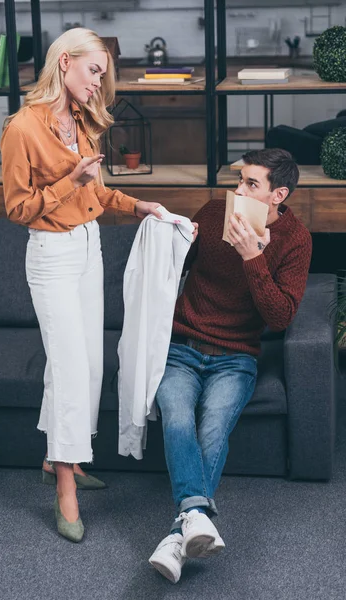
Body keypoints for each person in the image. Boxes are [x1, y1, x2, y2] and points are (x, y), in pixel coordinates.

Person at [0, 27, 162, 542]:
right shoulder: (22, 128)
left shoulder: (82, 119)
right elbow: (18, 209)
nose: (99, 83)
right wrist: (70, 182)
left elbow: (98, 190)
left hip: (88, 247)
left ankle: (57, 458)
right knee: (69, 369)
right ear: (65, 62)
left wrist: (139, 206)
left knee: (90, 365)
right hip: (50, 256)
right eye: (94, 71)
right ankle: (65, 486)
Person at [149, 148, 312, 583]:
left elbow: (280, 316)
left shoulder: (296, 240)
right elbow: (169, 271)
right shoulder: (216, 210)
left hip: (236, 358)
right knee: (178, 418)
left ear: (278, 194)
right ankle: (195, 517)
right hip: (181, 345)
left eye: (251, 185)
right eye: (239, 181)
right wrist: (174, 236)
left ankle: (175, 534)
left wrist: (253, 257)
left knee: (214, 426)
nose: (238, 191)